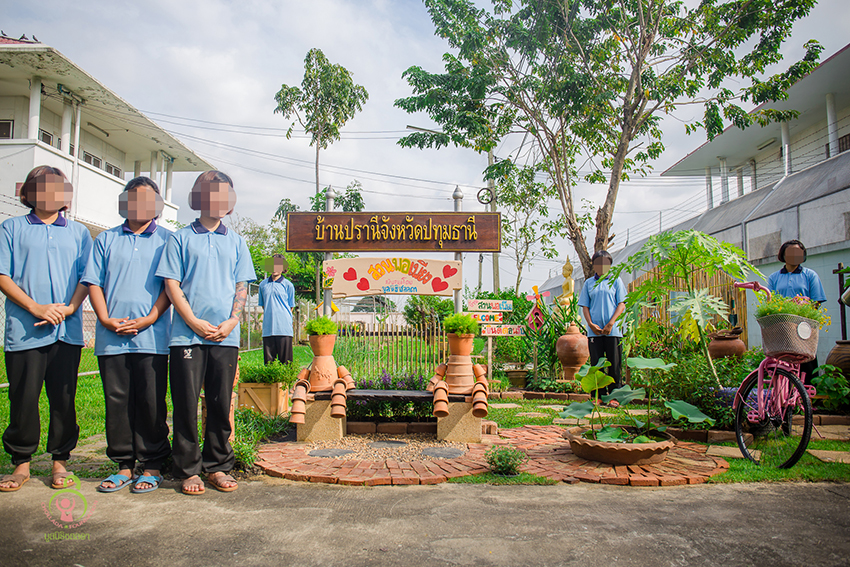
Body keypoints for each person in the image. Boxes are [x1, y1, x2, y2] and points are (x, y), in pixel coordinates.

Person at [156, 171, 256, 495]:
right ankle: (188, 469)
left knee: (219, 403)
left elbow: (242, 285)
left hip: (225, 337)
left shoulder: (237, 242)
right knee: (185, 404)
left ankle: (218, 465)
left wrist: (231, 322)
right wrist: (193, 321)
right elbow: (171, 284)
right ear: (198, 197)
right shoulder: (180, 238)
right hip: (186, 337)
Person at [0, 166, 91, 492]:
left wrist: (70, 308)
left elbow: (87, 277)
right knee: (23, 397)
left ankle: (60, 461)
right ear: (28, 192)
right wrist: (36, 307)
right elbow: (3, 275)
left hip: (66, 330)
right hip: (24, 330)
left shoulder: (79, 232)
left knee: (63, 398)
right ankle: (21, 463)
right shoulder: (11, 228)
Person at [82, 177, 172, 494]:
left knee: (151, 401)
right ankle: (123, 464)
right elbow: (94, 282)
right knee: (117, 402)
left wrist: (150, 317)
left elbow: (170, 286)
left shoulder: (168, 241)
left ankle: (153, 464)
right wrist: (104, 318)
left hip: (153, 337)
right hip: (112, 338)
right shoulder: (106, 240)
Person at [766, 240, 827, 381]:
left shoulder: (810, 275)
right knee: (782, 361)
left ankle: (808, 392)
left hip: (804, 325)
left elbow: (816, 301)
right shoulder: (774, 278)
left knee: (806, 361)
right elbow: (770, 302)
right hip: (782, 325)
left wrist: (802, 310)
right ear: (783, 255)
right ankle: (783, 392)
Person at [578, 250, 627, 395]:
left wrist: (611, 323)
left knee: (614, 364)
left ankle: (614, 396)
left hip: (614, 330)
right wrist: (590, 324)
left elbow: (621, 304)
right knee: (596, 365)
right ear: (594, 265)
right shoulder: (589, 283)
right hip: (595, 332)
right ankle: (597, 396)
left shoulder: (616, 281)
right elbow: (585, 306)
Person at [258, 254, 296, 365]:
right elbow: (263, 305)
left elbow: (291, 306)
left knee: (286, 363)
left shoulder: (288, 285)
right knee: (269, 364)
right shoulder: (263, 285)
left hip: (284, 329)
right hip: (268, 329)